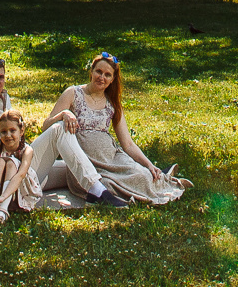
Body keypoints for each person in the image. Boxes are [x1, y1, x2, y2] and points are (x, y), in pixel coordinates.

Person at [0, 56, 127, 209]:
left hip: (22, 161)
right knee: (59, 128)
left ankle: (104, 186)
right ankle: (99, 192)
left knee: (73, 167)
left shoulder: (1, 97)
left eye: (1, 77)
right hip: (7, 174)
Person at [41, 51, 186, 204]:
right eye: (98, 71)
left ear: (112, 79)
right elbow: (46, 127)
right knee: (106, 186)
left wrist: (149, 164)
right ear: (91, 71)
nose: (101, 77)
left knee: (143, 176)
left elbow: (128, 144)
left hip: (113, 159)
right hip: (88, 165)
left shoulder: (112, 103)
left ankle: (156, 175)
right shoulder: (73, 93)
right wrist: (63, 114)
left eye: (107, 75)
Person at [0, 110, 40, 224]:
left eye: (12, 131)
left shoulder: (27, 150)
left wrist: (2, 198)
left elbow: (20, 175)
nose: (8, 135)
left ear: (21, 131)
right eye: (3, 132)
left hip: (17, 190)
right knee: (0, 161)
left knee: (11, 163)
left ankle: (3, 210)